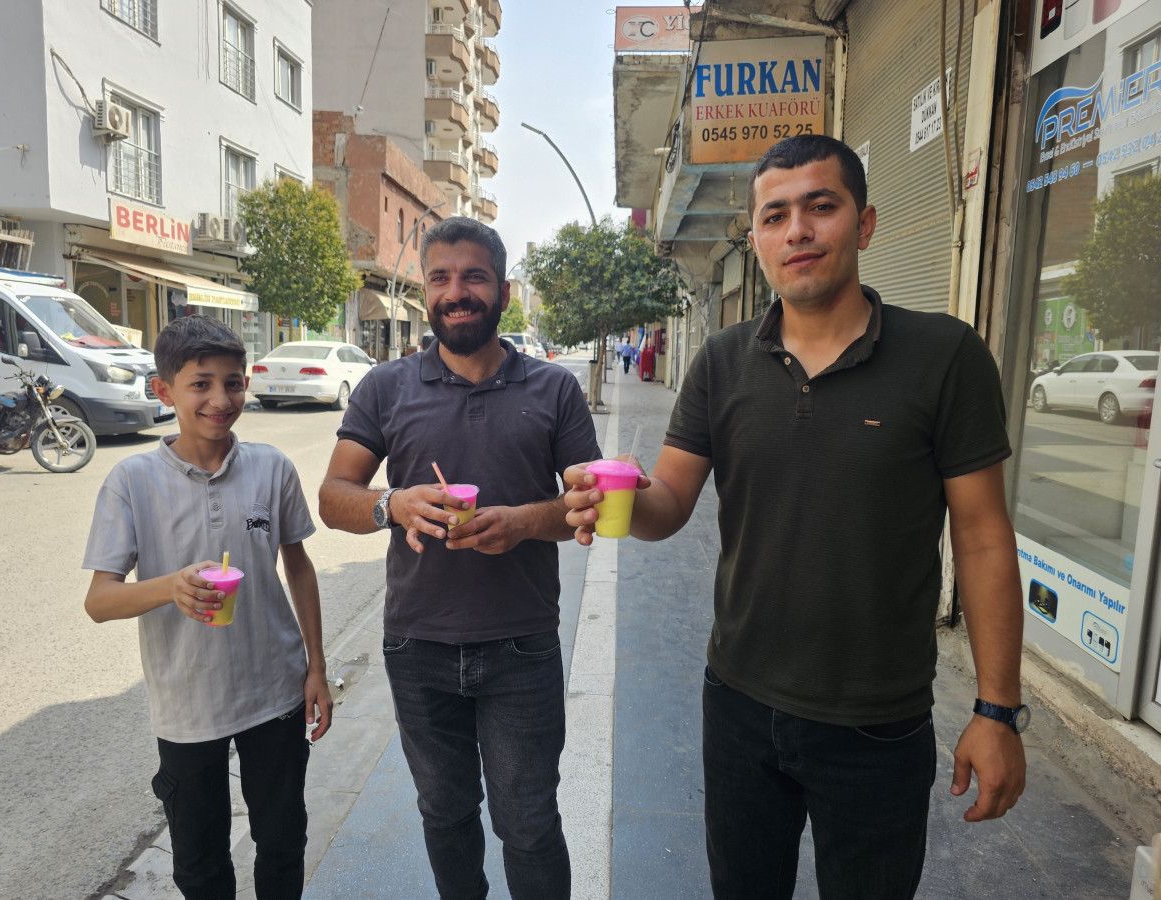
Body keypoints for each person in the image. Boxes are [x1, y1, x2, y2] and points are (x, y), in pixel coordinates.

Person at [563, 135, 1027, 900]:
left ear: (864, 223)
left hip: (879, 720)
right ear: (755, 241)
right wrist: (615, 499)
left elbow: (982, 538)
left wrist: (997, 709)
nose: (798, 231)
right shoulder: (721, 361)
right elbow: (669, 501)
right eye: (775, 216)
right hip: (738, 702)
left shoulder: (945, 357)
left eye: (821, 206)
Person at [319, 216, 600, 899]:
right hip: (418, 646)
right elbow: (333, 497)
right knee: (444, 815)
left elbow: (585, 505)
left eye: (474, 276)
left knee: (529, 824)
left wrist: (524, 522)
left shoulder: (554, 389)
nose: (456, 292)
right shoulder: (385, 387)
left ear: (501, 290)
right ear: (425, 291)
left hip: (522, 646)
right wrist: (393, 505)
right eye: (440, 278)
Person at [82, 315, 332, 899]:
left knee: (282, 841)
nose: (221, 400)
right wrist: (170, 587)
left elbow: (298, 566)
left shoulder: (272, 468)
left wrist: (316, 666)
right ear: (164, 390)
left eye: (233, 383)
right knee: (200, 863)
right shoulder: (132, 481)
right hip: (187, 704)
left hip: (275, 692)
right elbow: (99, 600)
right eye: (201, 384)